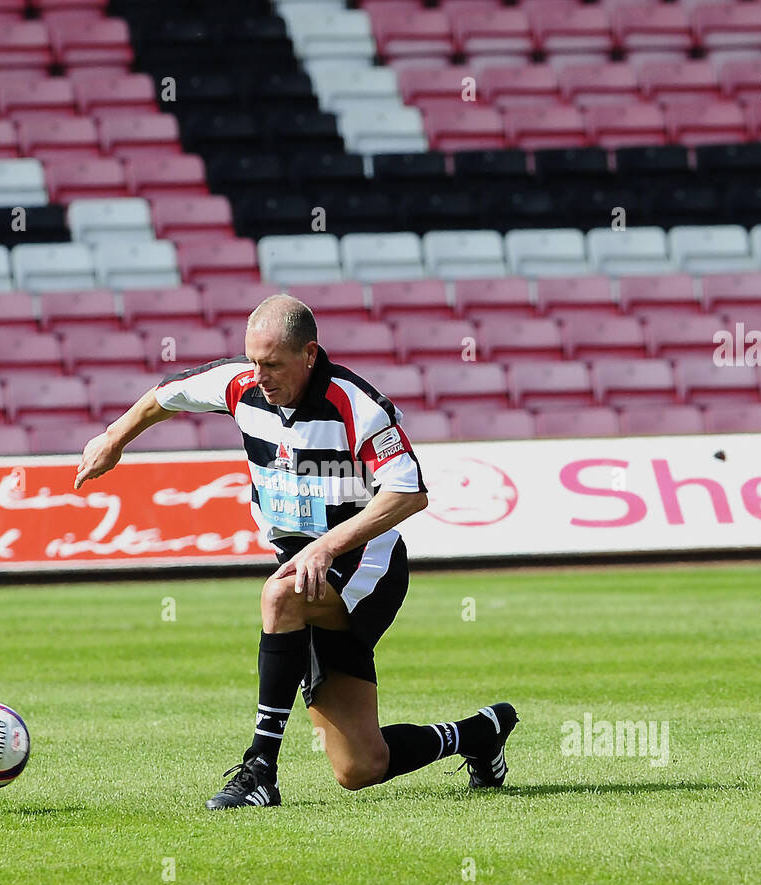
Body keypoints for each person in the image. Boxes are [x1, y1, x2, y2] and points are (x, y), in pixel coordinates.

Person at [75, 295, 517, 808]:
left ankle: (260, 769)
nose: (259, 374)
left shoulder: (357, 406)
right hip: (308, 569)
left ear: (309, 355)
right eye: (253, 361)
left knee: (279, 597)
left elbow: (409, 492)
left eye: (273, 364)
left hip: (364, 567)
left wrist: (327, 546)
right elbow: (163, 397)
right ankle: (480, 734)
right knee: (359, 766)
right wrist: (113, 439)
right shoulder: (239, 385)